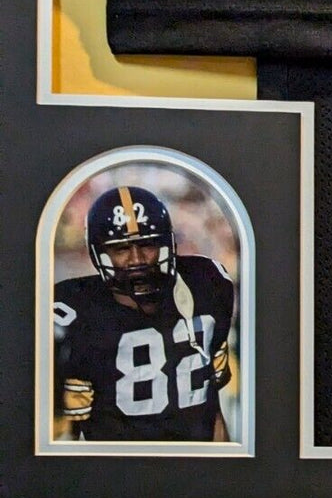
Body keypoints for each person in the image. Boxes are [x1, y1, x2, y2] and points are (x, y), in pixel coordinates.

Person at [53, 185, 234, 442]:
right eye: (121, 249)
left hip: (195, 459)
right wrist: (57, 399)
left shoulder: (207, 284)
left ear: (167, 244)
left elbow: (211, 409)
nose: (137, 260)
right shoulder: (72, 310)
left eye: (147, 245)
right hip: (115, 464)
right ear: (99, 254)